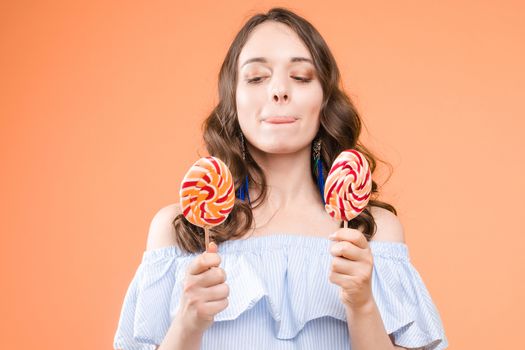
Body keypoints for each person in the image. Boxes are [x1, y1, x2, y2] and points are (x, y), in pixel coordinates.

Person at [113, 7, 448, 350]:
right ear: (233, 99)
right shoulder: (179, 230)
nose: (279, 91)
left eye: (301, 77)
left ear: (324, 101)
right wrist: (187, 323)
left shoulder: (373, 231)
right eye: (257, 77)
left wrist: (362, 304)